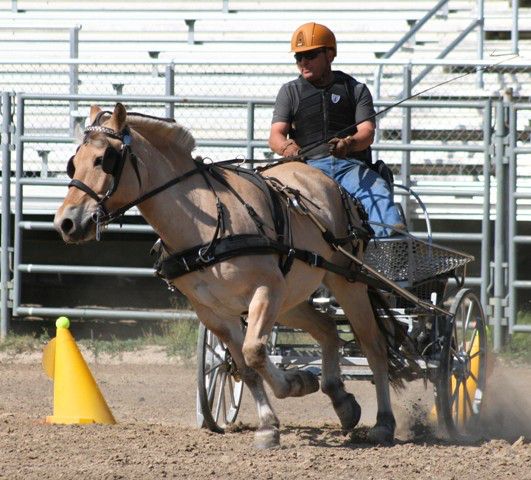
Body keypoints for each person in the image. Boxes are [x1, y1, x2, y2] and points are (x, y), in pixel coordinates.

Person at [269, 22, 404, 237]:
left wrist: (348, 144)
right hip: (306, 168)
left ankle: (392, 251)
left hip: (349, 167)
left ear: (330, 54)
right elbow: (275, 135)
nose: (303, 62)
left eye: (310, 55)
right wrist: (288, 148)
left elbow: (367, 132)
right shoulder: (290, 92)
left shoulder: (356, 89)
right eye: (298, 57)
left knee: (378, 192)